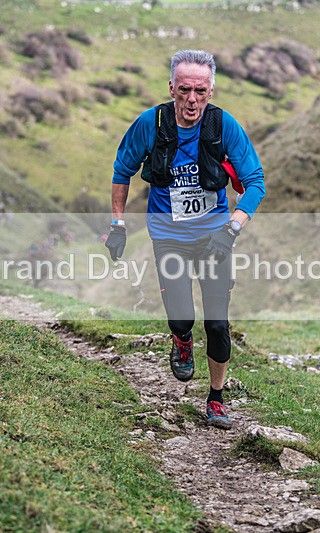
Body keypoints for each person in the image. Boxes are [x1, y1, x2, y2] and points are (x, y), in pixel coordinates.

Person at [106, 50, 266, 430]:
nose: (191, 100)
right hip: (168, 236)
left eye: (200, 91)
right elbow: (121, 171)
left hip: (215, 237)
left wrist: (232, 228)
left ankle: (216, 399)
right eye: (184, 91)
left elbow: (256, 183)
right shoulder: (151, 124)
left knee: (217, 323)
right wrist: (117, 225)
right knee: (182, 317)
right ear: (171, 89)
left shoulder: (223, 126)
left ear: (210, 90)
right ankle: (180, 339)